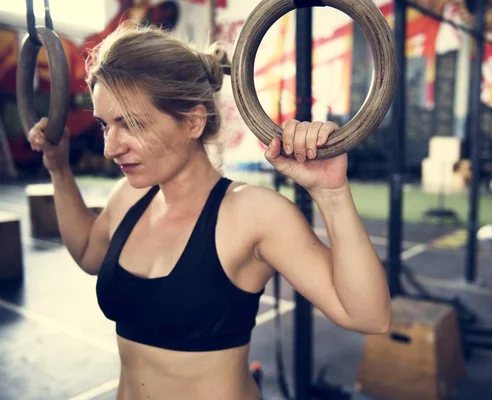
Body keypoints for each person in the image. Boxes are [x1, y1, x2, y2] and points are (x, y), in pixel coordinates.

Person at [27, 24, 391, 400]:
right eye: (105, 125)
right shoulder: (131, 197)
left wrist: (330, 194)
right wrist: (58, 168)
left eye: (130, 124)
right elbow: (88, 253)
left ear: (193, 121)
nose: (110, 148)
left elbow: (367, 315)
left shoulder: (250, 213)